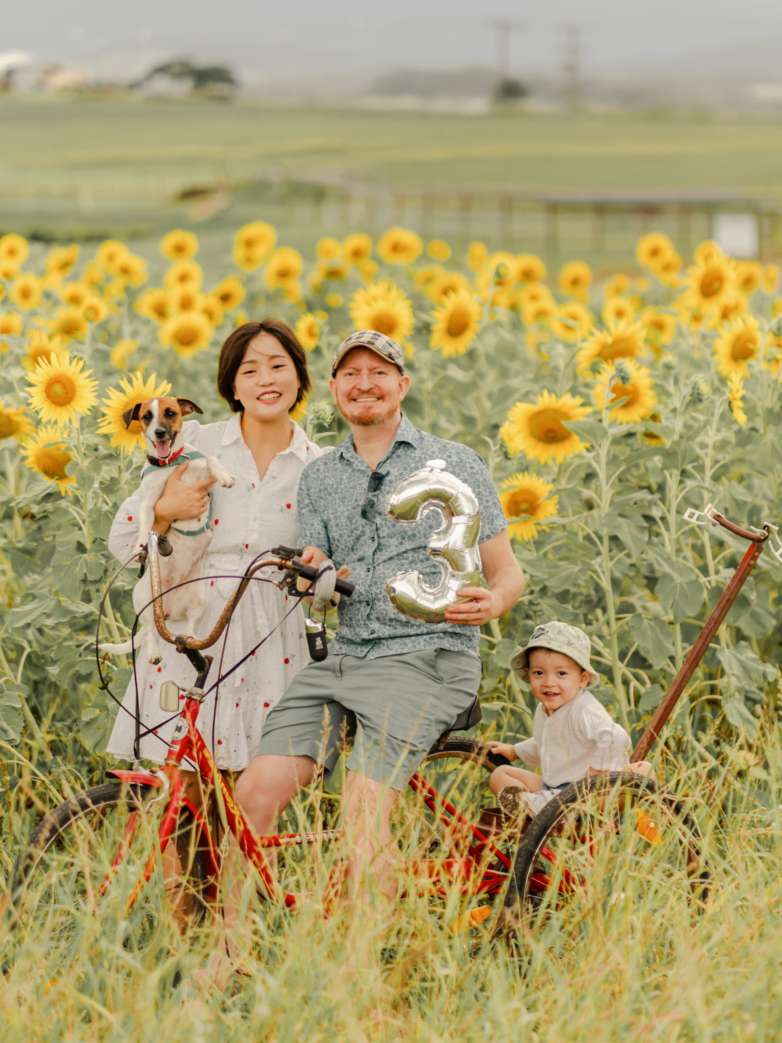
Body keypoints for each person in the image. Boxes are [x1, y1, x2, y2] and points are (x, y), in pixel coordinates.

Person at [232, 329, 525, 886]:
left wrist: (495, 600)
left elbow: (507, 570)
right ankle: (230, 940)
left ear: (402, 385)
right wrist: (313, 574)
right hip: (344, 660)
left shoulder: (456, 463)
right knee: (252, 797)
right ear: (335, 389)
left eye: (378, 373)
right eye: (351, 374)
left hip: (427, 657)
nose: (364, 384)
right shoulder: (320, 476)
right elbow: (319, 567)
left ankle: (366, 946)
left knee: (362, 812)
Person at [106, 318, 325, 784]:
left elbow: (329, 569)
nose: (266, 380)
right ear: (232, 386)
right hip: (195, 625)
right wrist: (165, 511)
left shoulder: (319, 466)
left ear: (299, 376)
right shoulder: (193, 443)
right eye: (249, 370)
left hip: (272, 636)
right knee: (182, 784)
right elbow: (123, 540)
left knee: (253, 790)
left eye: (278, 366)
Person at [486, 620, 653, 820]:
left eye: (561, 673)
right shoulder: (544, 708)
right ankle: (541, 808)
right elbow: (545, 743)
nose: (549, 682)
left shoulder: (583, 709)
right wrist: (514, 751)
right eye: (539, 673)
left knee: (644, 770)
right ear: (528, 674)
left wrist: (595, 776)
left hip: (596, 792)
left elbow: (616, 737)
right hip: (557, 789)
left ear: (583, 678)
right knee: (500, 774)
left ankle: (553, 808)